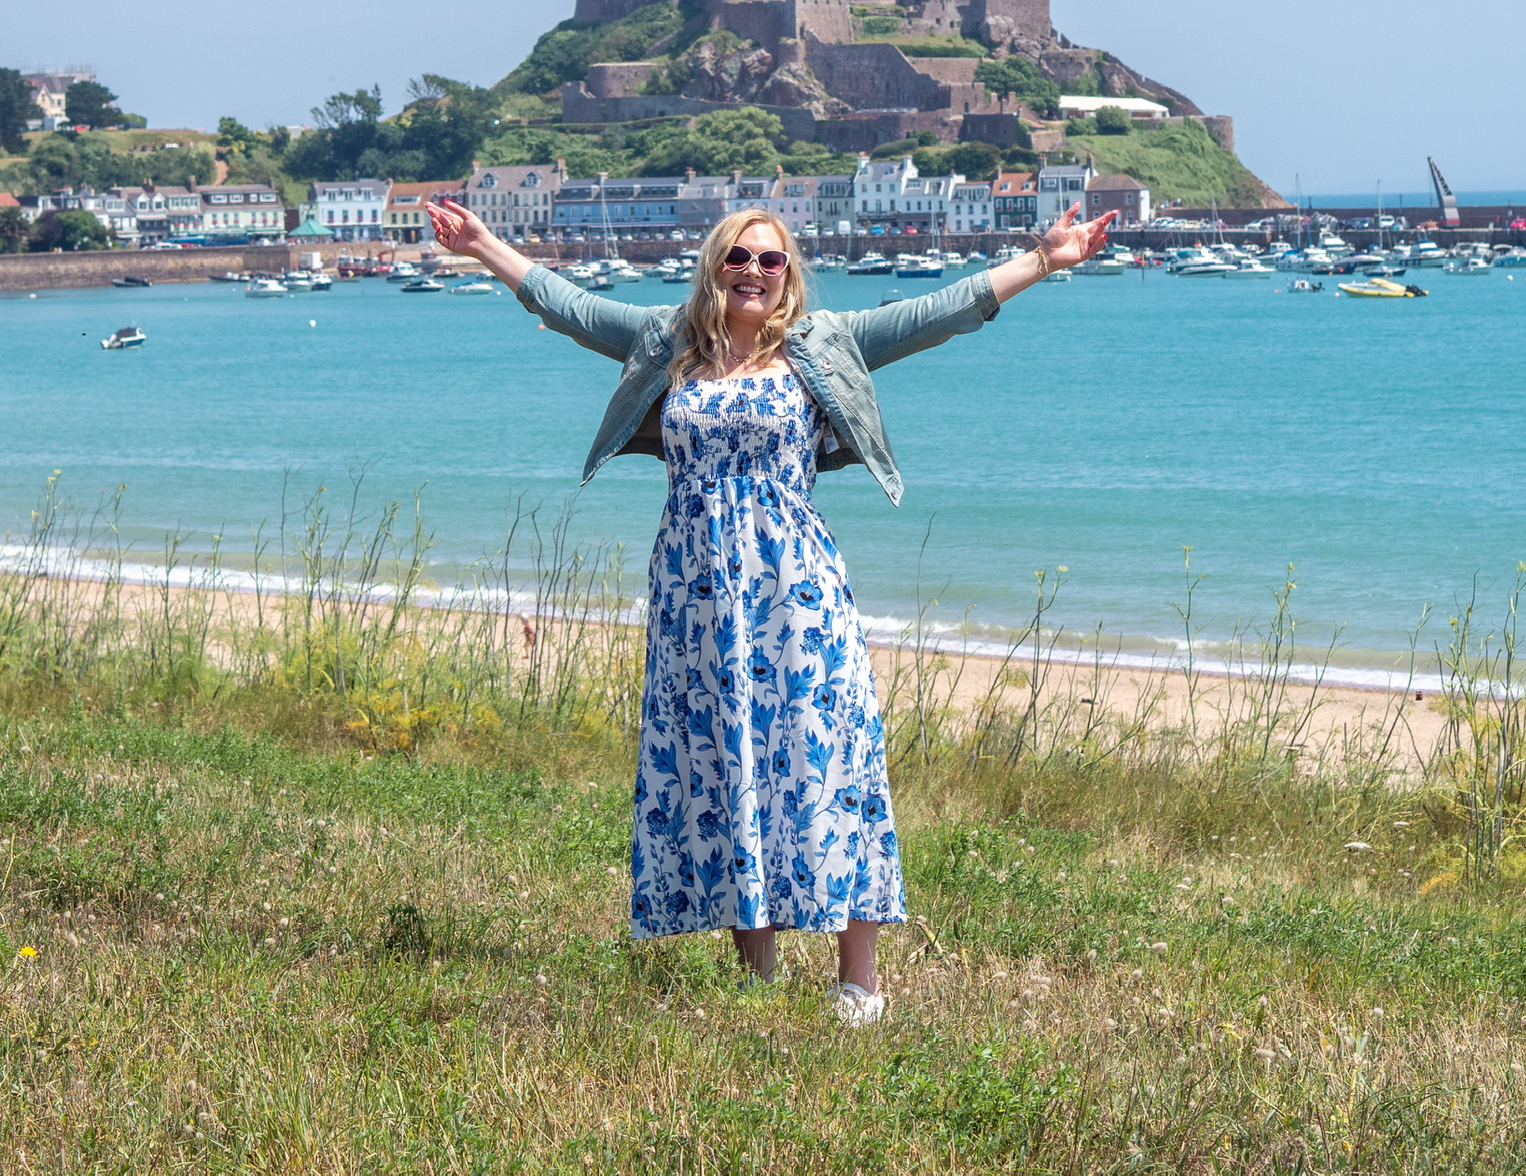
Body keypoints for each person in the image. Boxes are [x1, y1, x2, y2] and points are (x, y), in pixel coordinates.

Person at [426, 194, 1113, 1023]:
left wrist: (1045, 258)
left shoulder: (821, 344)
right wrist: (485, 245)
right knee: (728, 764)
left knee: (830, 762)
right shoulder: (666, 342)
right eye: (738, 257)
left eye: (771, 259)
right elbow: (564, 303)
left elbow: (943, 311)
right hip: (696, 595)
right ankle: (758, 983)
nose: (753, 270)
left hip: (798, 590)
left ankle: (858, 981)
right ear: (715, 268)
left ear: (789, 276)